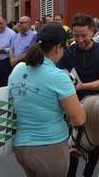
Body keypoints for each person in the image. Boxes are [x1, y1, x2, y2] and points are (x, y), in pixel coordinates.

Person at [9, 23, 85, 177]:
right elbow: (79, 119)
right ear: (58, 48)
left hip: (20, 146)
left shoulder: (18, 69)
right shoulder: (58, 76)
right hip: (49, 147)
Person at [57, 13, 99, 177]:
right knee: (71, 145)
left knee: (94, 146)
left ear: (93, 31)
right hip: (73, 103)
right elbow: (59, 74)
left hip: (96, 104)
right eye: (76, 35)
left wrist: (81, 86)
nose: (79, 40)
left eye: (84, 36)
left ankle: (88, 173)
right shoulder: (68, 51)